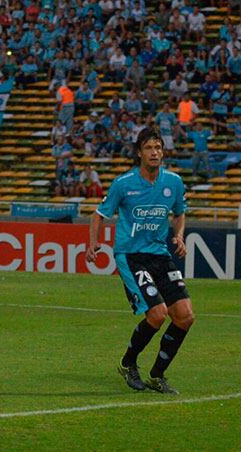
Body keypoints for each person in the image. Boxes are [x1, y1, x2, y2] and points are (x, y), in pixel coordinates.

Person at [86, 127, 194, 394]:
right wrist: (93, 243)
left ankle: (157, 375)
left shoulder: (173, 182)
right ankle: (127, 363)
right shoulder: (124, 184)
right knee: (158, 314)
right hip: (131, 256)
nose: (154, 152)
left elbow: (180, 213)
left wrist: (179, 236)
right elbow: (99, 214)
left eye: (158, 147)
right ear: (139, 153)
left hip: (160, 255)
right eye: (149, 148)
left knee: (185, 316)